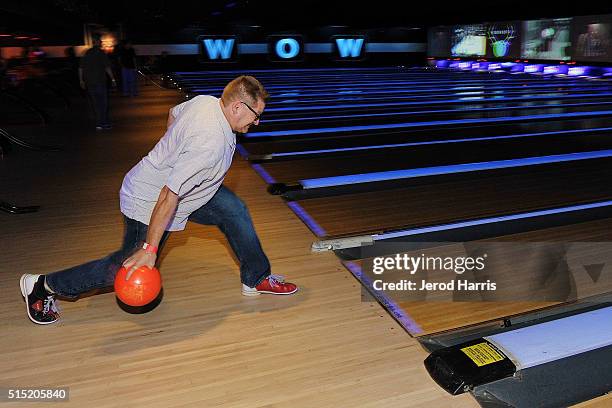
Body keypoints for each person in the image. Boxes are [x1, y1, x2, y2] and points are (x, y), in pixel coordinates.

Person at [20, 75, 298, 325]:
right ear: (237, 107)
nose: (257, 122)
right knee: (126, 265)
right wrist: (150, 249)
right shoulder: (208, 144)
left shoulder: (205, 102)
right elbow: (168, 195)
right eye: (256, 115)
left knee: (234, 211)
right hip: (149, 200)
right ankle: (43, 286)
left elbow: (173, 113)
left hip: (193, 194)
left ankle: (257, 277)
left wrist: (172, 153)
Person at [79, 35, 117, 130]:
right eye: (100, 41)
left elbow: (80, 68)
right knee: (103, 103)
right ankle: (104, 123)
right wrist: (113, 79)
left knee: (95, 103)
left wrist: (81, 80)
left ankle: (99, 123)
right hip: (100, 82)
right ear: (97, 42)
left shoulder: (86, 53)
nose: (101, 43)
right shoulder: (101, 53)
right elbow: (107, 67)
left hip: (89, 82)